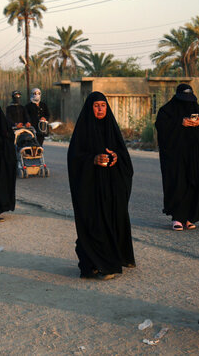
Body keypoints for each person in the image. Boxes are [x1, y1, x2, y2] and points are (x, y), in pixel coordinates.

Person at [67, 92, 135, 280]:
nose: (100, 109)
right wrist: (93, 159)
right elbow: (74, 159)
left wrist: (115, 158)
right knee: (94, 222)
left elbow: (124, 157)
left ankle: (115, 258)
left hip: (112, 186)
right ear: (90, 108)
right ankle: (97, 264)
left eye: (103, 105)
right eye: (96, 106)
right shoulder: (83, 130)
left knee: (114, 218)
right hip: (91, 188)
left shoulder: (111, 129)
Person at [155, 83, 199, 231]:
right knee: (178, 183)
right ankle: (177, 217)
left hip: (194, 156)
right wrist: (180, 122)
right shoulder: (167, 110)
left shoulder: (197, 109)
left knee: (192, 184)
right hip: (175, 157)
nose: (187, 104)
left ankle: (189, 217)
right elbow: (161, 126)